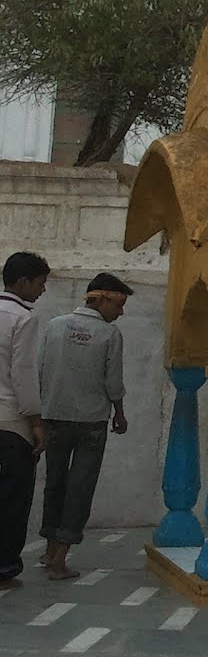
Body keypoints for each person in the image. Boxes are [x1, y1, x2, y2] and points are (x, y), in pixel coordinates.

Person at [37, 272, 131, 581]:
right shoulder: (109, 334)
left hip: (53, 417)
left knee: (55, 482)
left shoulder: (54, 326)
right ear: (102, 299)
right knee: (80, 487)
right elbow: (113, 382)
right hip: (90, 421)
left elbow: (40, 369)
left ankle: (49, 551)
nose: (121, 312)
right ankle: (60, 561)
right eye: (119, 304)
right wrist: (119, 413)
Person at [0, 251, 49, 588]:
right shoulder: (23, 318)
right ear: (22, 282)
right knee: (12, 498)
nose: (42, 291)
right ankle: (4, 565)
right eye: (40, 283)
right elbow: (24, 373)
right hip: (10, 423)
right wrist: (36, 422)